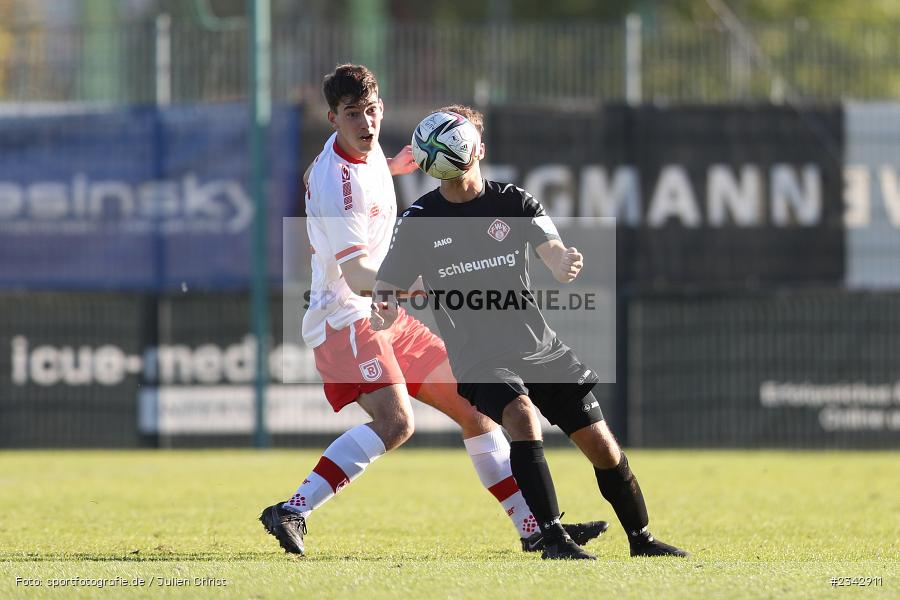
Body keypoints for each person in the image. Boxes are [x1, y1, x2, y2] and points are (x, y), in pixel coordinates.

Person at [259, 65, 607, 558]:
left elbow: (334, 175)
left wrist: (394, 165)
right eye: (352, 113)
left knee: (476, 410)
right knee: (396, 423)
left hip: (384, 313)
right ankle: (293, 509)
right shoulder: (340, 185)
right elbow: (357, 274)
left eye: (371, 110)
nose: (366, 122)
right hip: (347, 317)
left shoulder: (359, 150)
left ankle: (534, 528)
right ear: (332, 117)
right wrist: (428, 281)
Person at [372, 105, 689, 560]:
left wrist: (562, 262)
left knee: (602, 445)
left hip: (539, 347)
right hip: (478, 357)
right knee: (520, 415)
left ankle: (642, 539)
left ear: (479, 149)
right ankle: (553, 539)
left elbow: (552, 248)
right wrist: (384, 305)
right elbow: (388, 283)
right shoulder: (420, 220)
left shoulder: (514, 202)